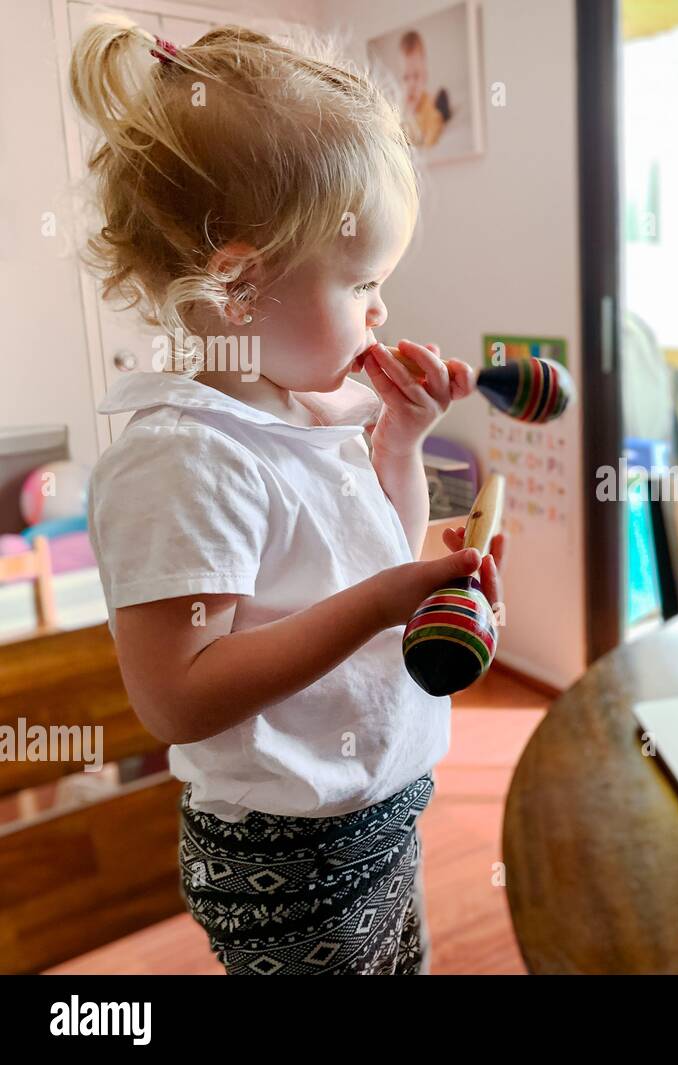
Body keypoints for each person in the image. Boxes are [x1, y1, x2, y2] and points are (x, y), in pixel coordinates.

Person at [71, 16, 505, 974]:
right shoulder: (185, 459)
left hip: (381, 806)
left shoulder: (313, 410)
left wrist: (402, 440)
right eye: (361, 281)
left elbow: (383, 558)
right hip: (287, 854)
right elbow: (178, 695)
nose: (383, 311)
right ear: (239, 287)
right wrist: (382, 604)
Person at [398, 30, 452, 148]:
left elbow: (432, 132)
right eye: (406, 77)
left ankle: (444, 101)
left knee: (442, 110)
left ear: (425, 77)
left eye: (416, 76)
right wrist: (408, 113)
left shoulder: (428, 106)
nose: (411, 84)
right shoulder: (401, 109)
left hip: (432, 116)